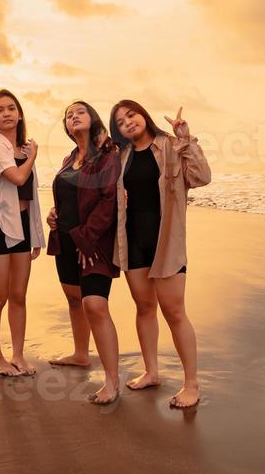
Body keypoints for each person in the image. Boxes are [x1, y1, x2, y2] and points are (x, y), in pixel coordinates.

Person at [110, 100, 211, 408]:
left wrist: (186, 139)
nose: (128, 122)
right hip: (133, 240)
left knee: (174, 311)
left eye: (131, 114)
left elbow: (202, 177)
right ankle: (151, 372)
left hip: (166, 241)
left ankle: (191, 384)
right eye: (121, 121)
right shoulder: (122, 156)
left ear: (143, 114)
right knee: (143, 307)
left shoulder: (169, 145)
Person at [46, 102, 122, 405]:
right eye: (68, 115)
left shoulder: (107, 157)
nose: (73, 116)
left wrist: (86, 240)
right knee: (74, 299)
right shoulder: (68, 159)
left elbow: (108, 203)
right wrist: (54, 216)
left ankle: (112, 381)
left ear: (93, 119)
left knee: (95, 305)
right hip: (65, 241)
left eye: (79, 111)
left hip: (93, 244)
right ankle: (80, 354)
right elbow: (68, 197)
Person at [0, 90, 45, 376]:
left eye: (10, 108)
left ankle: (18, 355)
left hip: (22, 225)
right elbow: (18, 178)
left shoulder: (23, 150)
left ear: (19, 114)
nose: (5, 113)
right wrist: (34, 156)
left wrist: (36, 233)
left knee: (19, 295)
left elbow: (31, 196)